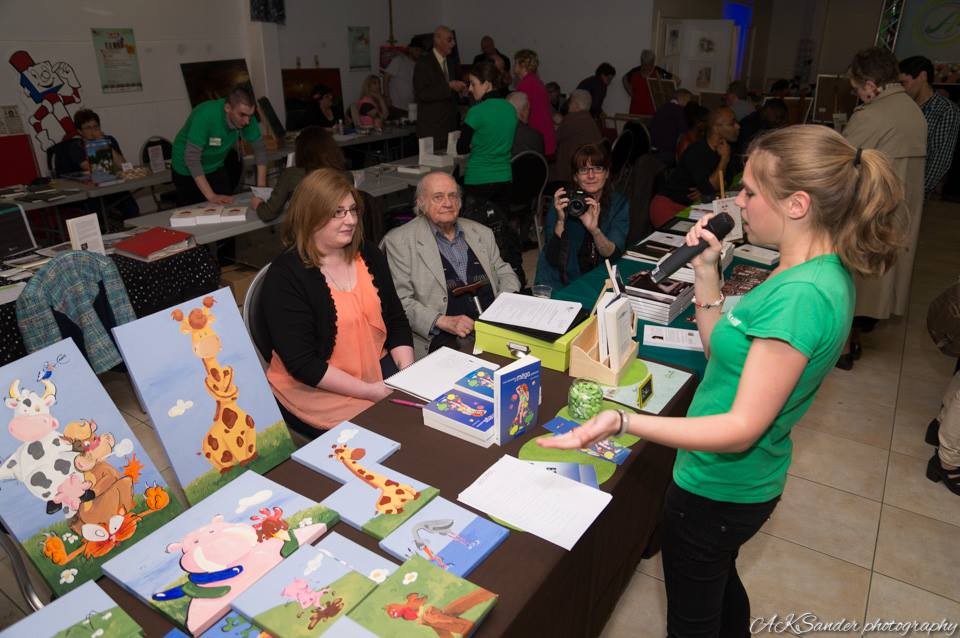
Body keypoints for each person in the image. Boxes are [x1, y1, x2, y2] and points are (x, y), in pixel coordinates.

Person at [540, 124, 905, 637]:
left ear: (797, 204)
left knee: (693, 617)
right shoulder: (802, 268)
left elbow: (739, 428)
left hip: (719, 489)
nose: (738, 201)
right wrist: (707, 271)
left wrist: (623, 420)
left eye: (751, 191)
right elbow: (720, 350)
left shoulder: (802, 295)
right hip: (738, 483)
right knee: (716, 587)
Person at [261, 169, 414, 434]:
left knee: (424, 423)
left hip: (375, 368)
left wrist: (409, 374)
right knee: (394, 435)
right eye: (337, 213)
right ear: (310, 216)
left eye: (353, 210)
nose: (351, 220)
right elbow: (303, 364)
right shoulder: (285, 276)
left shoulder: (368, 254)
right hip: (314, 387)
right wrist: (369, 391)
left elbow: (396, 320)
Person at [841, 47, 926, 368]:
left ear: (872, 83)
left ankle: (844, 349)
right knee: (874, 282)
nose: (857, 95)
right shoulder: (912, 109)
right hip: (900, 212)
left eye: (857, 88)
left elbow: (843, 163)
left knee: (849, 278)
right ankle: (856, 337)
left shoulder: (873, 114)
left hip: (870, 210)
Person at [380, 172, 520, 357]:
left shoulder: (481, 232)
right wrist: (442, 321)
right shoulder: (399, 242)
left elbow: (504, 272)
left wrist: (503, 305)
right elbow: (400, 302)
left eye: (453, 196)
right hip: (442, 339)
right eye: (438, 197)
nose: (448, 203)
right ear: (421, 203)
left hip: (493, 328)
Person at [536, 143, 629, 289]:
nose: (591, 176)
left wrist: (595, 231)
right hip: (561, 280)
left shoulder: (618, 204)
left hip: (599, 279)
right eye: (583, 170)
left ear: (607, 173)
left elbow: (613, 255)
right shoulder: (563, 203)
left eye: (597, 169)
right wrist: (560, 221)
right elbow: (551, 258)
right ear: (575, 177)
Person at [171, 84, 267, 207]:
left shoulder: (246, 116)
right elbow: (191, 158)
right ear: (227, 108)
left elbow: (260, 150)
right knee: (199, 213)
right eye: (242, 115)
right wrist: (211, 196)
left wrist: (261, 189)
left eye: (250, 116)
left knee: (227, 207)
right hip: (186, 170)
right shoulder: (205, 115)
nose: (247, 121)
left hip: (215, 167)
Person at [651, 106, 741, 227]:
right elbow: (711, 187)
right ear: (716, 128)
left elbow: (726, 182)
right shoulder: (697, 151)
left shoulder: (727, 148)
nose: (738, 126)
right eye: (732, 123)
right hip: (669, 206)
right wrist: (724, 160)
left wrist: (707, 190)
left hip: (693, 208)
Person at [456, 61, 517, 210]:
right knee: (498, 227)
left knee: (475, 230)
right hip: (504, 178)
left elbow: (461, 148)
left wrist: (475, 145)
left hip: (479, 178)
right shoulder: (511, 109)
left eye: (473, 84)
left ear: (487, 84)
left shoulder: (476, 112)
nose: (470, 89)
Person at [58, 109, 140, 219]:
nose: (93, 130)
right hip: (91, 190)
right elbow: (93, 168)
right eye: (88, 128)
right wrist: (100, 146)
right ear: (80, 131)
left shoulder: (109, 140)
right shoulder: (76, 146)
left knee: (132, 209)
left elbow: (122, 165)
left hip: (112, 185)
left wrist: (105, 144)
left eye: (96, 126)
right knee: (96, 212)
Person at [255, 126, 346, 222]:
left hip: (306, 233)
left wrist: (258, 204)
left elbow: (268, 213)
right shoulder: (346, 177)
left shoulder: (291, 175)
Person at [899, 55, 960, 197]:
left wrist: (917, 193)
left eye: (904, 83)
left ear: (922, 76)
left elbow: (939, 160)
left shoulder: (946, 111)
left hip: (918, 194)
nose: (902, 89)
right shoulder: (903, 107)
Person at [414, 25, 466, 150]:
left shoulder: (450, 61)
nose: (453, 44)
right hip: (432, 129)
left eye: (453, 40)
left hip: (450, 127)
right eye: (449, 40)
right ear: (437, 40)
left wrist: (460, 92)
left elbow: (450, 92)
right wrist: (449, 86)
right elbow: (422, 93)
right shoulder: (424, 62)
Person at [550, 89, 603, 182]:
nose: (568, 105)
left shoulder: (572, 119)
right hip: (590, 168)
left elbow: (554, 138)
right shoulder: (590, 119)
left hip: (572, 173)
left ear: (575, 105)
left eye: (570, 102)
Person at [514, 49, 556, 156]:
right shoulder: (537, 81)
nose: (514, 65)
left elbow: (518, 115)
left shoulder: (525, 85)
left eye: (515, 62)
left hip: (536, 139)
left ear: (522, 65)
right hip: (545, 137)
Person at [649, 88, 692, 165]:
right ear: (682, 99)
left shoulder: (662, 107)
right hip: (666, 153)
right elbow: (683, 134)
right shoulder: (679, 111)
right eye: (688, 101)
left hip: (652, 149)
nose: (688, 104)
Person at [624, 49, 673, 116]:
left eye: (649, 65)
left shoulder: (658, 72)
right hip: (635, 113)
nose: (647, 67)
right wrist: (632, 95)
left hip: (652, 114)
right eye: (644, 65)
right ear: (641, 62)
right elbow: (624, 78)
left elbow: (677, 80)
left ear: (653, 62)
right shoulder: (635, 72)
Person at [384, 38, 423, 119]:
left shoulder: (418, 65)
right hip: (396, 105)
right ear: (410, 49)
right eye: (416, 49)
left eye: (420, 50)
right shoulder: (399, 60)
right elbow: (386, 77)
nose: (418, 52)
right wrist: (387, 97)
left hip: (410, 107)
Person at [506, 91, 545, 156]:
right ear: (524, 110)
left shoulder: (495, 130)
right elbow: (539, 163)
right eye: (529, 109)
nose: (529, 113)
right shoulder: (533, 136)